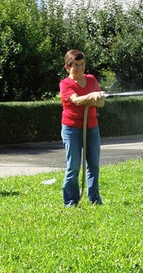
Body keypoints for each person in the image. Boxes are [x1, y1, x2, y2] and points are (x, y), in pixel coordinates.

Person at [59, 49, 105, 207]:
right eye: (75, 65)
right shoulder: (65, 84)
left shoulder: (91, 79)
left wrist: (97, 98)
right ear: (67, 67)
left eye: (82, 64)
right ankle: (70, 201)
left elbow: (101, 103)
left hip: (92, 127)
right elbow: (76, 100)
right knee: (73, 166)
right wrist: (91, 97)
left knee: (93, 164)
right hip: (72, 129)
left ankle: (94, 199)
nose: (79, 68)